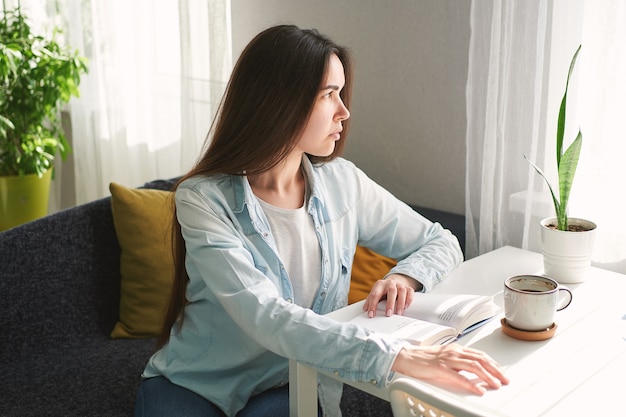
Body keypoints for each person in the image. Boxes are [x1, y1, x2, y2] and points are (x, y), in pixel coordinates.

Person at [134, 24, 509, 417]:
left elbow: (442, 241)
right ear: (280, 102)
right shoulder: (203, 199)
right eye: (329, 94)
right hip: (198, 383)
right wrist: (398, 355)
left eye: (341, 94)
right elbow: (265, 314)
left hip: (292, 380)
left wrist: (405, 277)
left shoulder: (343, 183)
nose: (344, 111)